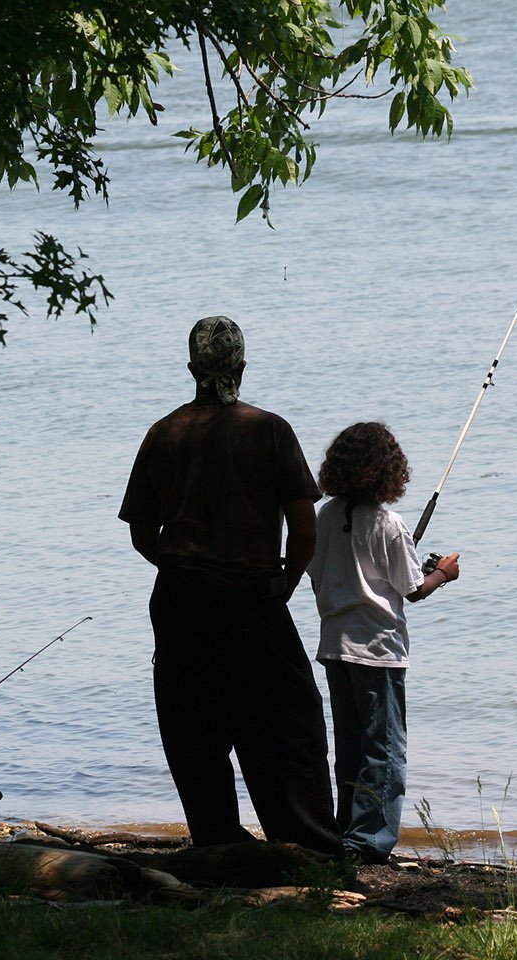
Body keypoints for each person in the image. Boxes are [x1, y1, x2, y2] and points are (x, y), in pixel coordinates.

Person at [118, 315, 342, 857]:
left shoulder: (163, 432)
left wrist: (180, 569)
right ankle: (307, 845)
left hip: (180, 599)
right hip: (252, 596)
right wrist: (284, 582)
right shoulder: (268, 429)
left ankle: (217, 841)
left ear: (192, 368)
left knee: (192, 722)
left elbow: (142, 532)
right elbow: (304, 527)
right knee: (287, 722)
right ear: (241, 367)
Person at [307, 421, 461, 865]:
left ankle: (347, 831)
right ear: (388, 471)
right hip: (379, 653)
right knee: (385, 749)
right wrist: (444, 574)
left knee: (352, 746)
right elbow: (413, 590)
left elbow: (317, 573)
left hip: (335, 648)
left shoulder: (326, 515)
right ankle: (369, 842)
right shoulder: (390, 525)